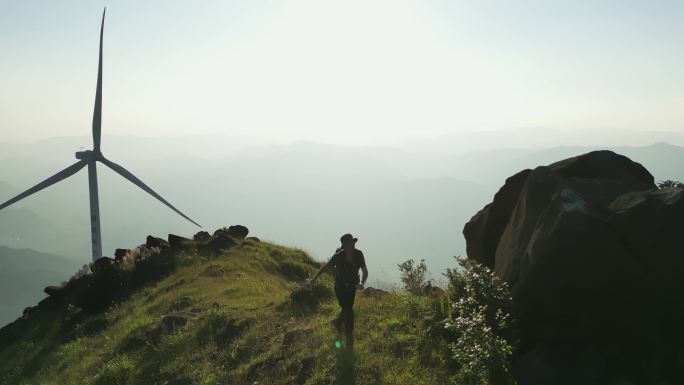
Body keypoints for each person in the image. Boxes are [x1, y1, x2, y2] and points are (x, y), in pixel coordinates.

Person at [306, 233, 368, 347]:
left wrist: (361, 283)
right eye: (349, 243)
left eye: (353, 242)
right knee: (347, 308)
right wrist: (313, 279)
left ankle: (342, 327)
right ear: (344, 245)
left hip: (352, 286)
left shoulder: (359, 254)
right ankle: (347, 333)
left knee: (347, 308)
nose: (352, 245)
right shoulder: (339, 256)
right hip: (339, 287)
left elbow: (365, 270)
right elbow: (325, 267)